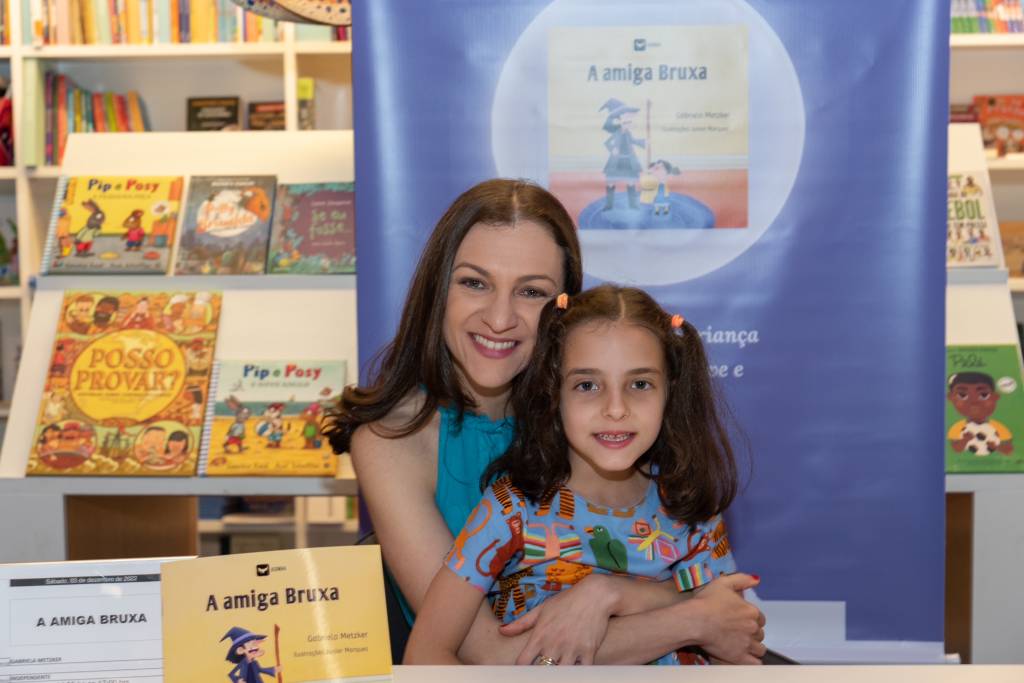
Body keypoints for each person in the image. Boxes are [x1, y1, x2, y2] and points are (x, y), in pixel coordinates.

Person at [324, 179, 764, 665]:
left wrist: (609, 594)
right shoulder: (392, 442)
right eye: (474, 283)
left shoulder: (595, 421)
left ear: (564, 314)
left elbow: (719, 602)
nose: (499, 317)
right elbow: (486, 653)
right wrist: (691, 619)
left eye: (531, 292)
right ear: (437, 290)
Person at [404, 286, 762, 665]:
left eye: (640, 384)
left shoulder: (689, 508)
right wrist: (685, 612)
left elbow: (735, 631)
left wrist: (611, 594)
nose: (615, 409)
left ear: (669, 392)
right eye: (587, 385)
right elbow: (425, 657)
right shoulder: (513, 509)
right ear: (553, 393)